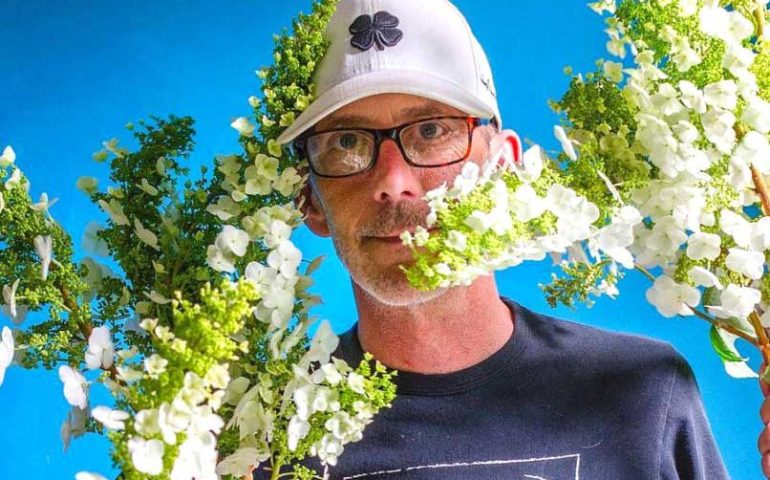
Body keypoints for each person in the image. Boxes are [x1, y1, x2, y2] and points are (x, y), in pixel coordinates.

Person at [256, 0, 732, 478]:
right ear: (309, 199)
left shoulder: (642, 394)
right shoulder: (257, 434)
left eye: (431, 130)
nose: (393, 182)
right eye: (346, 142)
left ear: (503, 167)